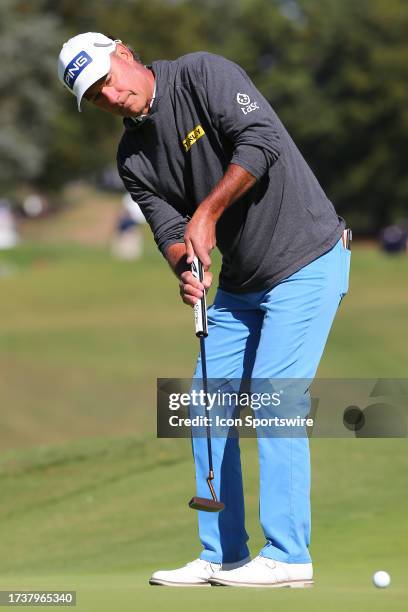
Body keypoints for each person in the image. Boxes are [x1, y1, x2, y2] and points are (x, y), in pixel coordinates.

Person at [58, 32, 351, 588]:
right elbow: (169, 229)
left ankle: (289, 555)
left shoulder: (201, 74)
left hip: (307, 257)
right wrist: (185, 264)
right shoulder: (132, 158)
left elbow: (260, 142)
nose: (111, 95)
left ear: (123, 52)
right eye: (95, 95)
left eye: (108, 79)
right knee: (204, 402)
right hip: (241, 285)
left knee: (273, 394)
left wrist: (209, 213)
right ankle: (224, 553)